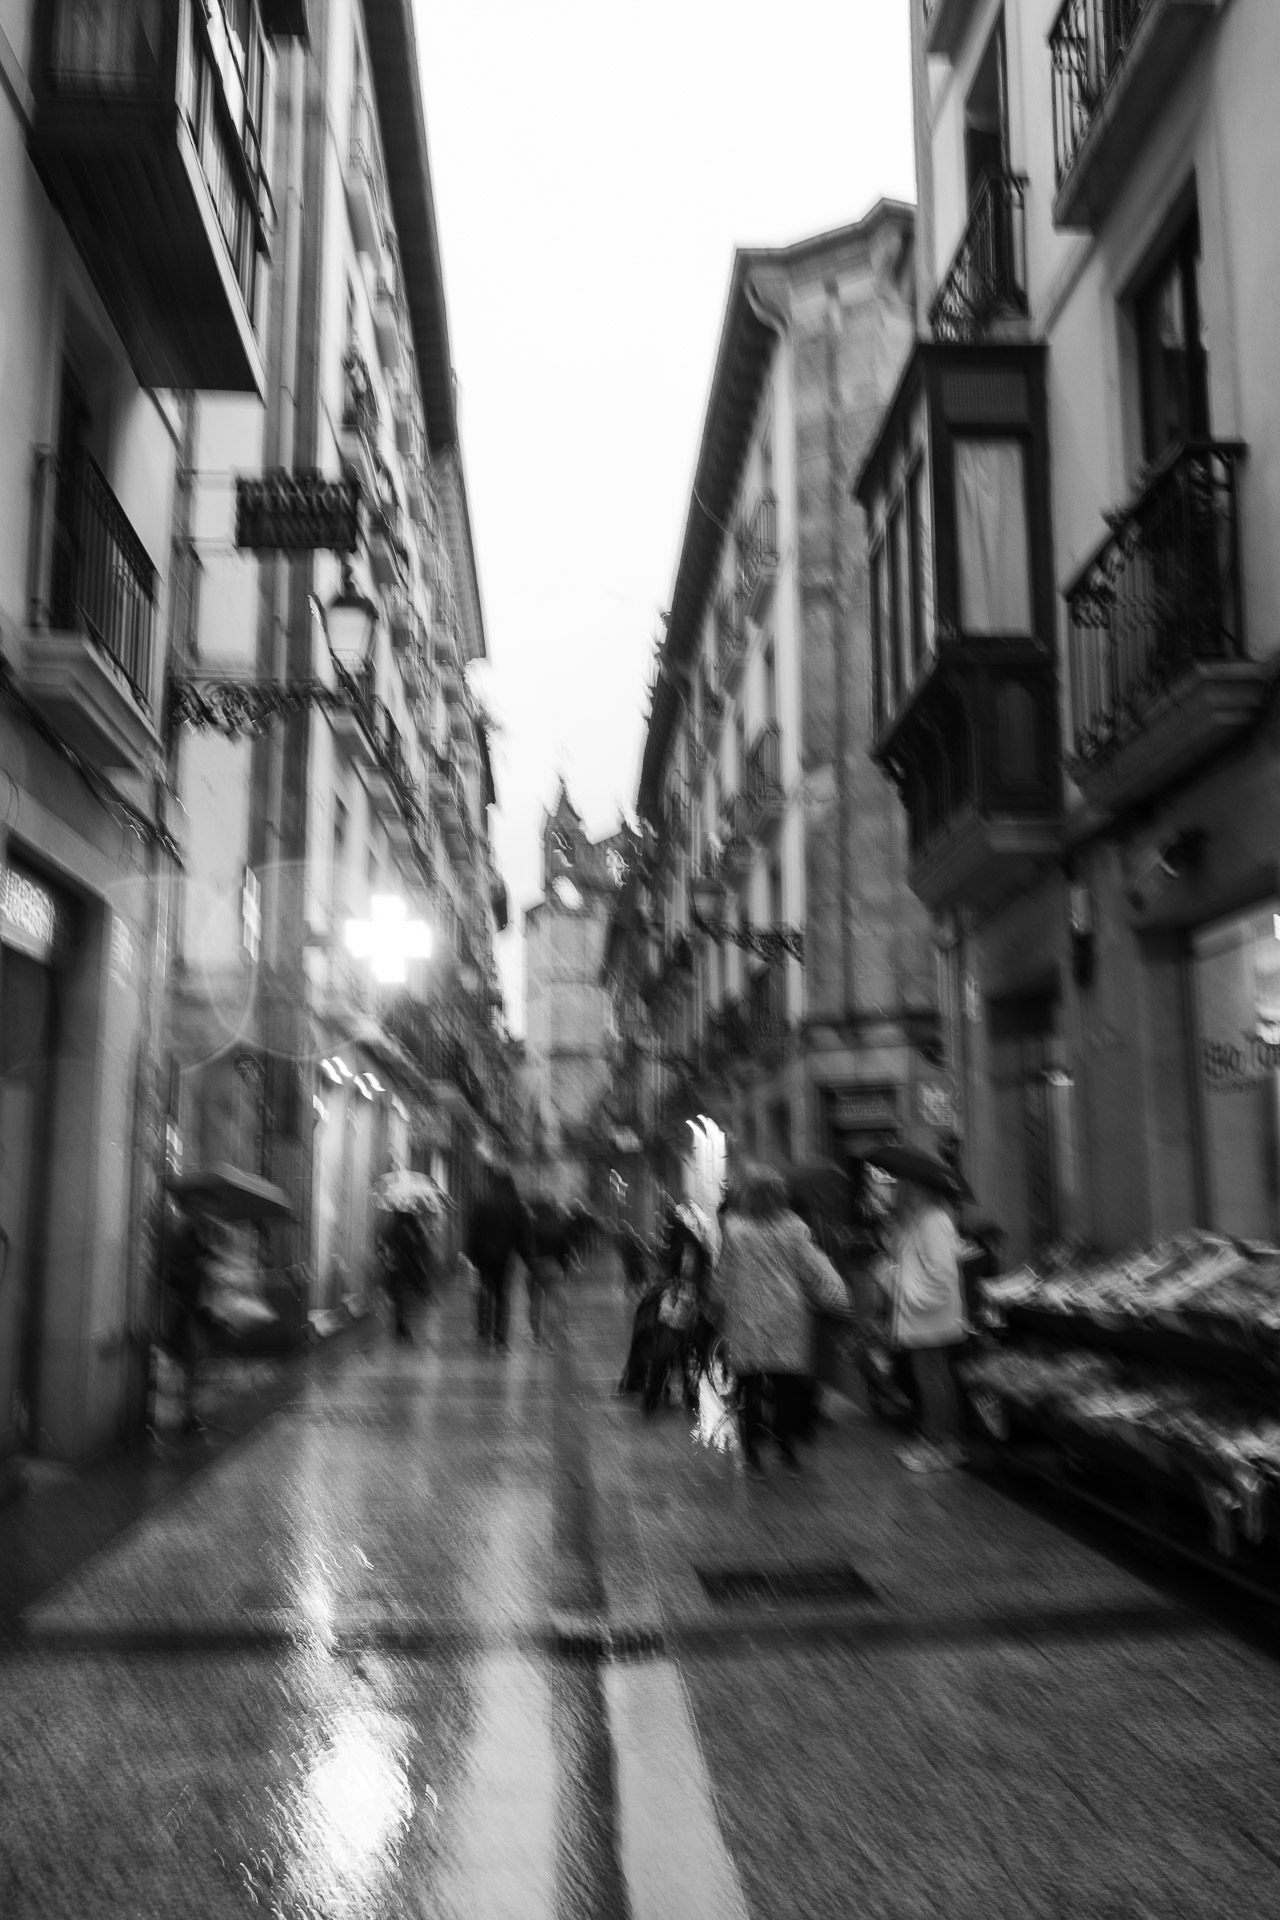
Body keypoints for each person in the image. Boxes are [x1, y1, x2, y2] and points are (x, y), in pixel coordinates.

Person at [717, 1163, 854, 1478]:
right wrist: (835, 1295)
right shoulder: (794, 1226)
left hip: (747, 1311)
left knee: (749, 1384)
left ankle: (752, 1457)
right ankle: (786, 1450)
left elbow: (724, 1273)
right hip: (787, 1313)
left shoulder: (734, 1227)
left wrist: (717, 1301)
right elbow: (811, 1269)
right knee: (786, 1385)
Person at [890, 1172, 968, 1473]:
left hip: (929, 1314)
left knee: (932, 1380)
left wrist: (909, 1291)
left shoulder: (933, 1219)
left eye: (906, 1183)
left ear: (920, 1187)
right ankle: (938, 1441)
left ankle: (939, 1446)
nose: (901, 1188)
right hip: (923, 1315)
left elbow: (942, 1272)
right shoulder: (921, 1218)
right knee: (933, 1378)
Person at [465, 1169, 531, 1353]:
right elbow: (522, 1233)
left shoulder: (483, 1202)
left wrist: (471, 1255)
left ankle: (483, 1333)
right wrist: (525, 1256)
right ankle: (500, 1337)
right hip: (504, 1257)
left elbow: (473, 1229)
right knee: (503, 1296)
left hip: (483, 1256)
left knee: (484, 1293)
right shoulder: (515, 1204)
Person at [163, 1206, 216, 1435]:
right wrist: (198, 1265)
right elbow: (175, 1275)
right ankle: (187, 1412)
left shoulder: (198, 1243)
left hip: (197, 1310)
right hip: (185, 1311)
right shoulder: (184, 1242)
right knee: (190, 1359)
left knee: (195, 1360)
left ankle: (189, 1411)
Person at [376, 1206, 430, 1343]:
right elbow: (414, 1248)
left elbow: (383, 1241)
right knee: (400, 1296)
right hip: (402, 1266)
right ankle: (400, 1326)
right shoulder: (405, 1229)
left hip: (393, 1265)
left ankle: (399, 1325)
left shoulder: (391, 1227)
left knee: (398, 1296)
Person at [527, 1197, 569, 1347]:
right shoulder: (558, 1227)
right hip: (554, 1266)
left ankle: (537, 1336)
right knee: (553, 1301)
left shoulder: (533, 1228)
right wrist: (564, 1269)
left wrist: (530, 1265)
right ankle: (552, 1336)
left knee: (535, 1302)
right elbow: (565, 1251)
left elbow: (527, 1249)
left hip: (536, 1267)